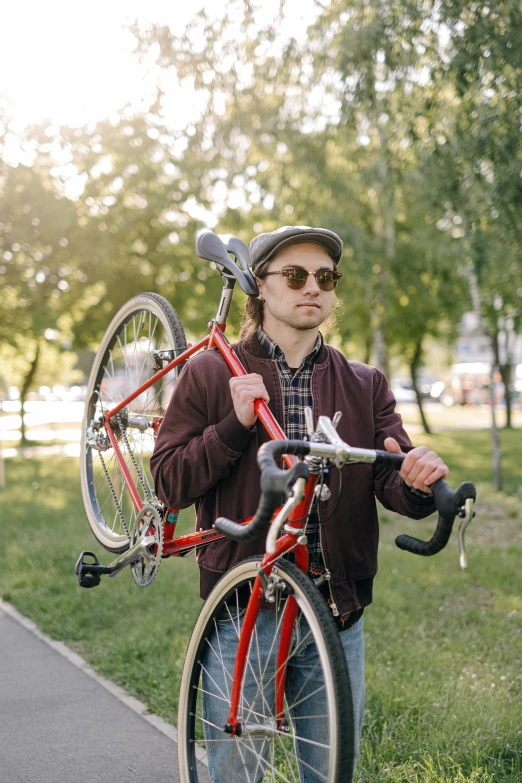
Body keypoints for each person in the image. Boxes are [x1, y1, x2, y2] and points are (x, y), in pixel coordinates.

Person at [151, 225, 449, 782]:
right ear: (260, 288)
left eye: (325, 277)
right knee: (236, 772)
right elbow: (169, 481)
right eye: (294, 275)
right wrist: (234, 427)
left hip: (335, 611)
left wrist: (418, 478)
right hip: (243, 607)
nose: (312, 287)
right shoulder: (213, 373)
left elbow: (390, 479)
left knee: (331, 771)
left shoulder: (364, 383)